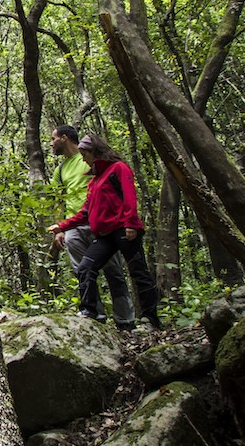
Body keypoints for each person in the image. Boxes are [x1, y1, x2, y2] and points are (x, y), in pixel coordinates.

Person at [48, 134, 162, 330]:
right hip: (104, 235)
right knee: (85, 267)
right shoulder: (94, 181)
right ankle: (90, 312)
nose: (83, 159)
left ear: (95, 152)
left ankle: (150, 319)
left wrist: (131, 224)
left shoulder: (118, 168)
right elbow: (86, 212)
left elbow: (129, 197)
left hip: (124, 230)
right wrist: (63, 226)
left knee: (138, 272)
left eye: (85, 154)